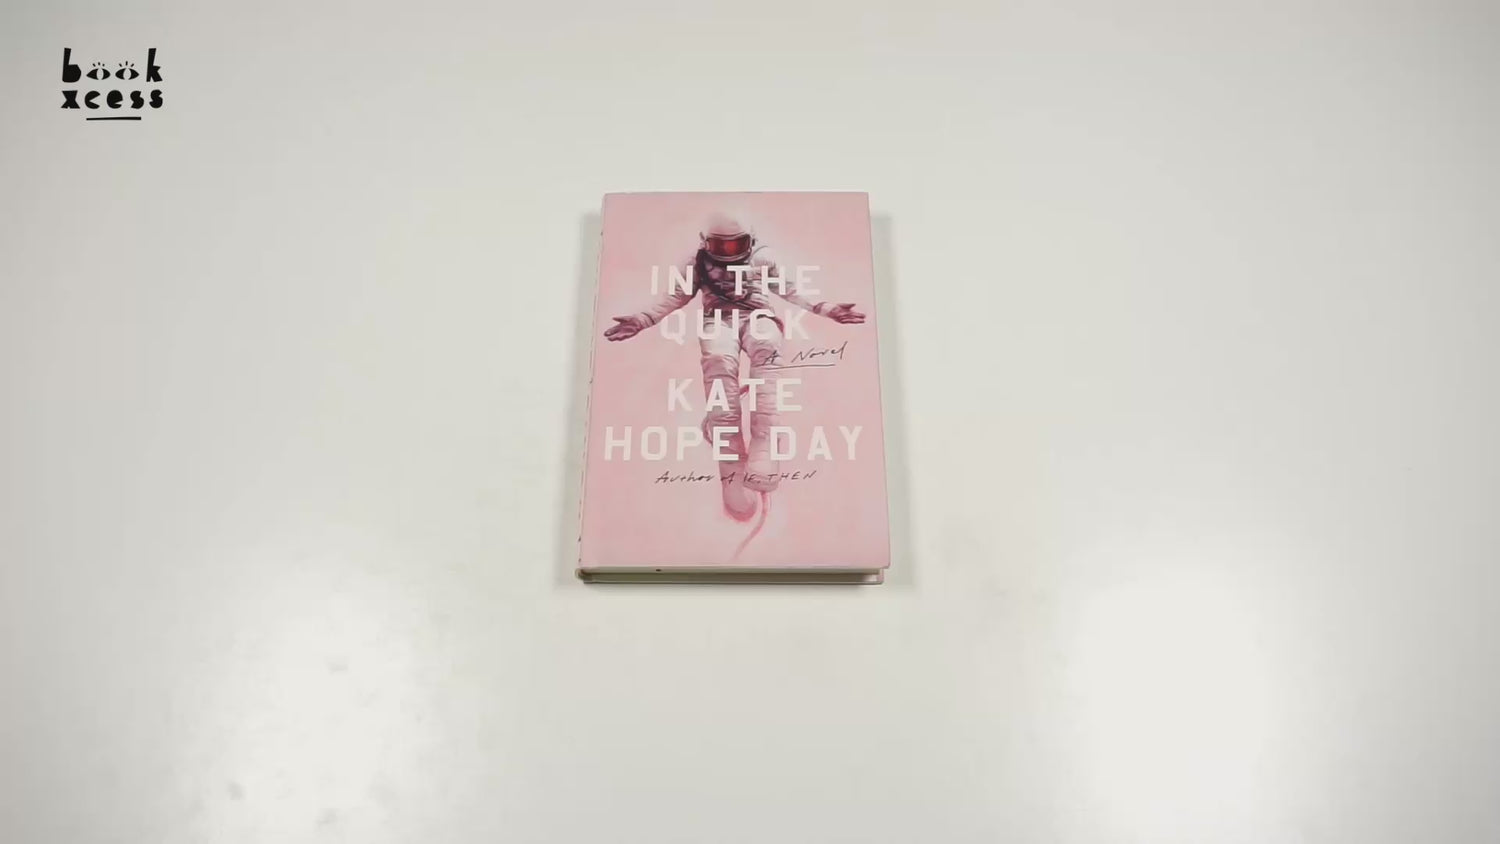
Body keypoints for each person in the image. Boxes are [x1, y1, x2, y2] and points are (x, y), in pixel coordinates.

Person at [604, 213, 865, 520]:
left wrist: (826, 308)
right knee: (717, 363)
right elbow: (676, 296)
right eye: (721, 246)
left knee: (766, 347)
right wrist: (642, 319)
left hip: (759, 317)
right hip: (718, 320)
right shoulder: (696, 262)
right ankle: (731, 468)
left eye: (736, 245)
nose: (728, 253)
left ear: (750, 241)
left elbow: (791, 288)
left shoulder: (763, 258)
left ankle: (764, 448)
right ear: (705, 243)